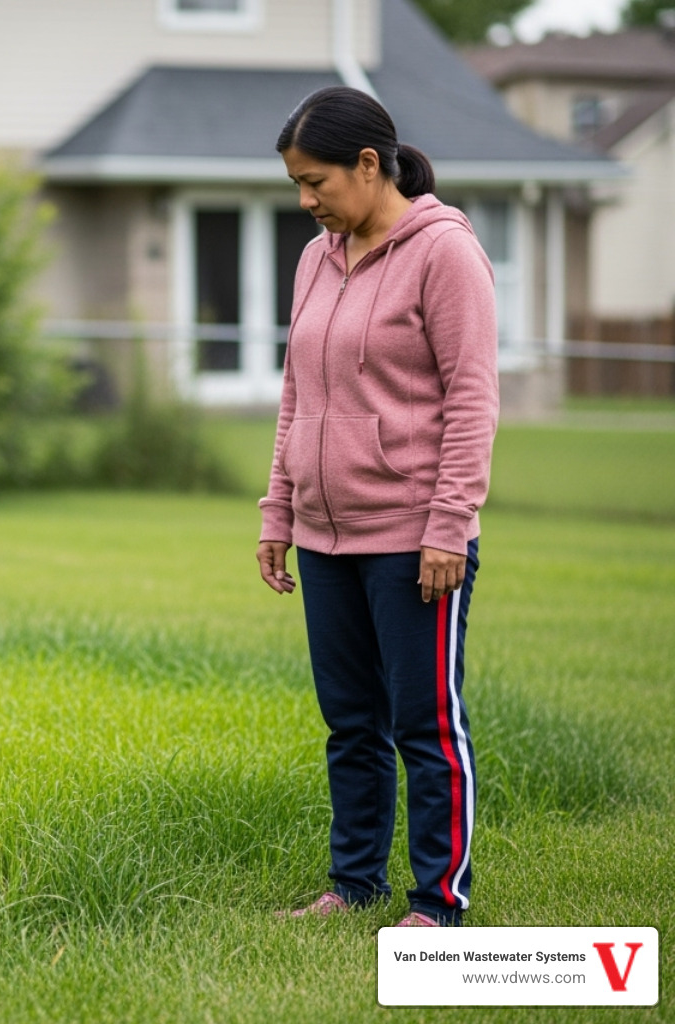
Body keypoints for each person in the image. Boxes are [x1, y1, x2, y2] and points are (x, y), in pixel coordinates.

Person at [256, 86, 499, 928]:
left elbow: (472, 402)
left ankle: (438, 902)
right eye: (297, 183)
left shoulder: (445, 254)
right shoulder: (316, 256)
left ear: (369, 164)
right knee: (350, 725)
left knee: (426, 726)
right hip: (326, 536)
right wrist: (278, 510)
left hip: (414, 539)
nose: (306, 200)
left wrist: (448, 526)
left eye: (315, 180)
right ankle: (353, 884)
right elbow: (299, 392)